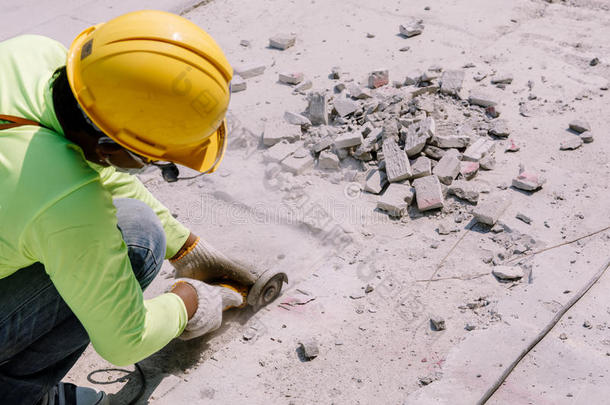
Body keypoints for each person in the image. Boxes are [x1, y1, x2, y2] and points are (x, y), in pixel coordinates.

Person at [0, 10, 246, 405]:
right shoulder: (65, 205)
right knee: (138, 241)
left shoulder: (33, 55)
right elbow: (125, 342)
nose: (151, 168)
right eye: (154, 161)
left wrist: (185, 246)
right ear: (111, 148)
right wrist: (191, 302)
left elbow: (83, 161)